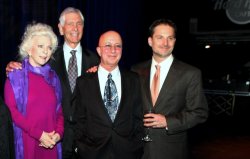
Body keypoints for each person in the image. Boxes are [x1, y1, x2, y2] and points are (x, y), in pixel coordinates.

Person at [6, 7, 100, 159]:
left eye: (79, 23)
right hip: (51, 141)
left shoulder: (96, 61)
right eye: (70, 23)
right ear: (61, 29)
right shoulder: (47, 58)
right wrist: (10, 67)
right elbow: (23, 73)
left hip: (86, 141)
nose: (75, 28)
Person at [131, 19, 209, 159]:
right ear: (150, 41)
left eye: (170, 38)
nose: (165, 43)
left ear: (174, 41)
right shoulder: (136, 70)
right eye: (160, 37)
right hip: (137, 149)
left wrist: (168, 121)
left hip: (171, 151)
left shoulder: (190, 73)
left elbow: (200, 112)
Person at [73, 30, 144, 159]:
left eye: (118, 46)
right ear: (99, 51)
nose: (113, 50)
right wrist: (81, 148)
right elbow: (79, 120)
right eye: (108, 45)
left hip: (128, 153)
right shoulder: (83, 82)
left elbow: (138, 117)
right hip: (93, 153)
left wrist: (137, 146)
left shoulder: (134, 79)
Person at [4, 22, 64, 159]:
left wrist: (58, 134)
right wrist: (39, 134)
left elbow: (59, 111)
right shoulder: (15, 76)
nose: (45, 51)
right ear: (29, 49)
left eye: (49, 48)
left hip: (50, 143)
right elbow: (12, 112)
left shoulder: (53, 77)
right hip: (28, 143)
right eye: (41, 46)